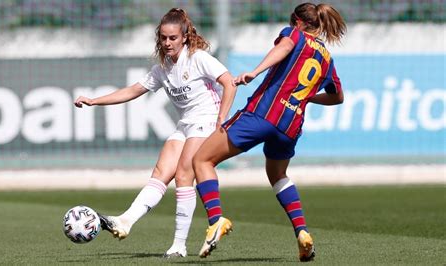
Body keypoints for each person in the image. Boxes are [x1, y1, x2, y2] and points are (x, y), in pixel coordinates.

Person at [74, 8, 237, 258]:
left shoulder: (198, 58)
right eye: (163, 38)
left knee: (184, 175)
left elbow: (229, 82)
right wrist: (95, 101)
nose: (167, 42)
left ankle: (178, 246)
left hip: (205, 121)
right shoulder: (162, 68)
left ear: (184, 37)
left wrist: (221, 118)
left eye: (173, 38)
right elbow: (132, 91)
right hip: (185, 124)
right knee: (161, 173)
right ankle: (126, 220)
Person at [192, 2, 346, 261]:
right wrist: (307, 98)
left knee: (202, 159)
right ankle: (302, 232)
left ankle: (216, 219)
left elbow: (285, 46)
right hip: (290, 126)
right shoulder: (327, 59)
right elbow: (338, 97)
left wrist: (254, 72)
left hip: (263, 115)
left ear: (297, 21)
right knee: (278, 174)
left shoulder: (294, 34)